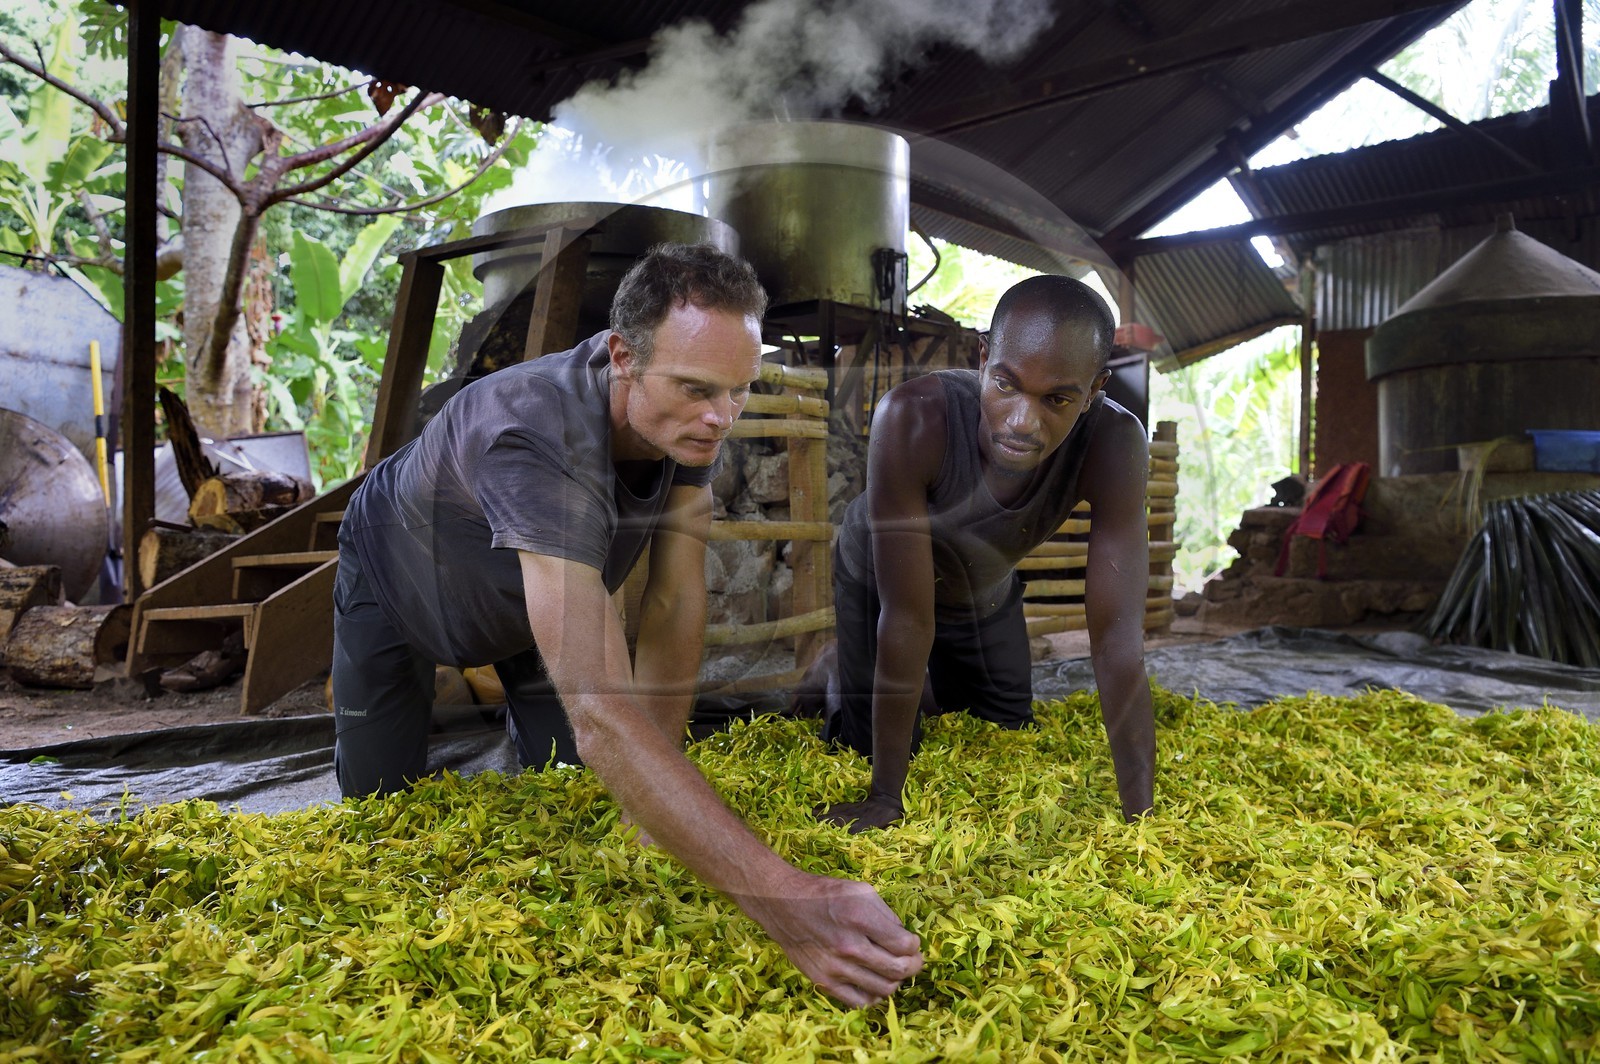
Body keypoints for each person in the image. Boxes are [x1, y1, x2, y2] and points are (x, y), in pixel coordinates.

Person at [331, 242, 923, 1006]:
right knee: (379, 814)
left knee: (583, 792)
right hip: (401, 579)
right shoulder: (533, 433)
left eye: (738, 390)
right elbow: (603, 714)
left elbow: (673, 599)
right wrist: (787, 899)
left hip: (533, 601)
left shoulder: (686, 422)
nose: (721, 417)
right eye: (697, 389)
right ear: (621, 357)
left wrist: (652, 808)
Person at [810, 274, 1156, 832]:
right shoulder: (912, 417)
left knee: (1003, 729)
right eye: (1006, 385)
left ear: (1095, 389)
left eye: (1057, 399)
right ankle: (838, 678)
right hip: (883, 578)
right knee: (869, 740)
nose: (1022, 422)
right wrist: (885, 797)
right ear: (982, 358)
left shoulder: (1114, 442)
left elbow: (1118, 639)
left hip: (982, 584)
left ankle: (896, 676)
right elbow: (906, 617)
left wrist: (1142, 820)